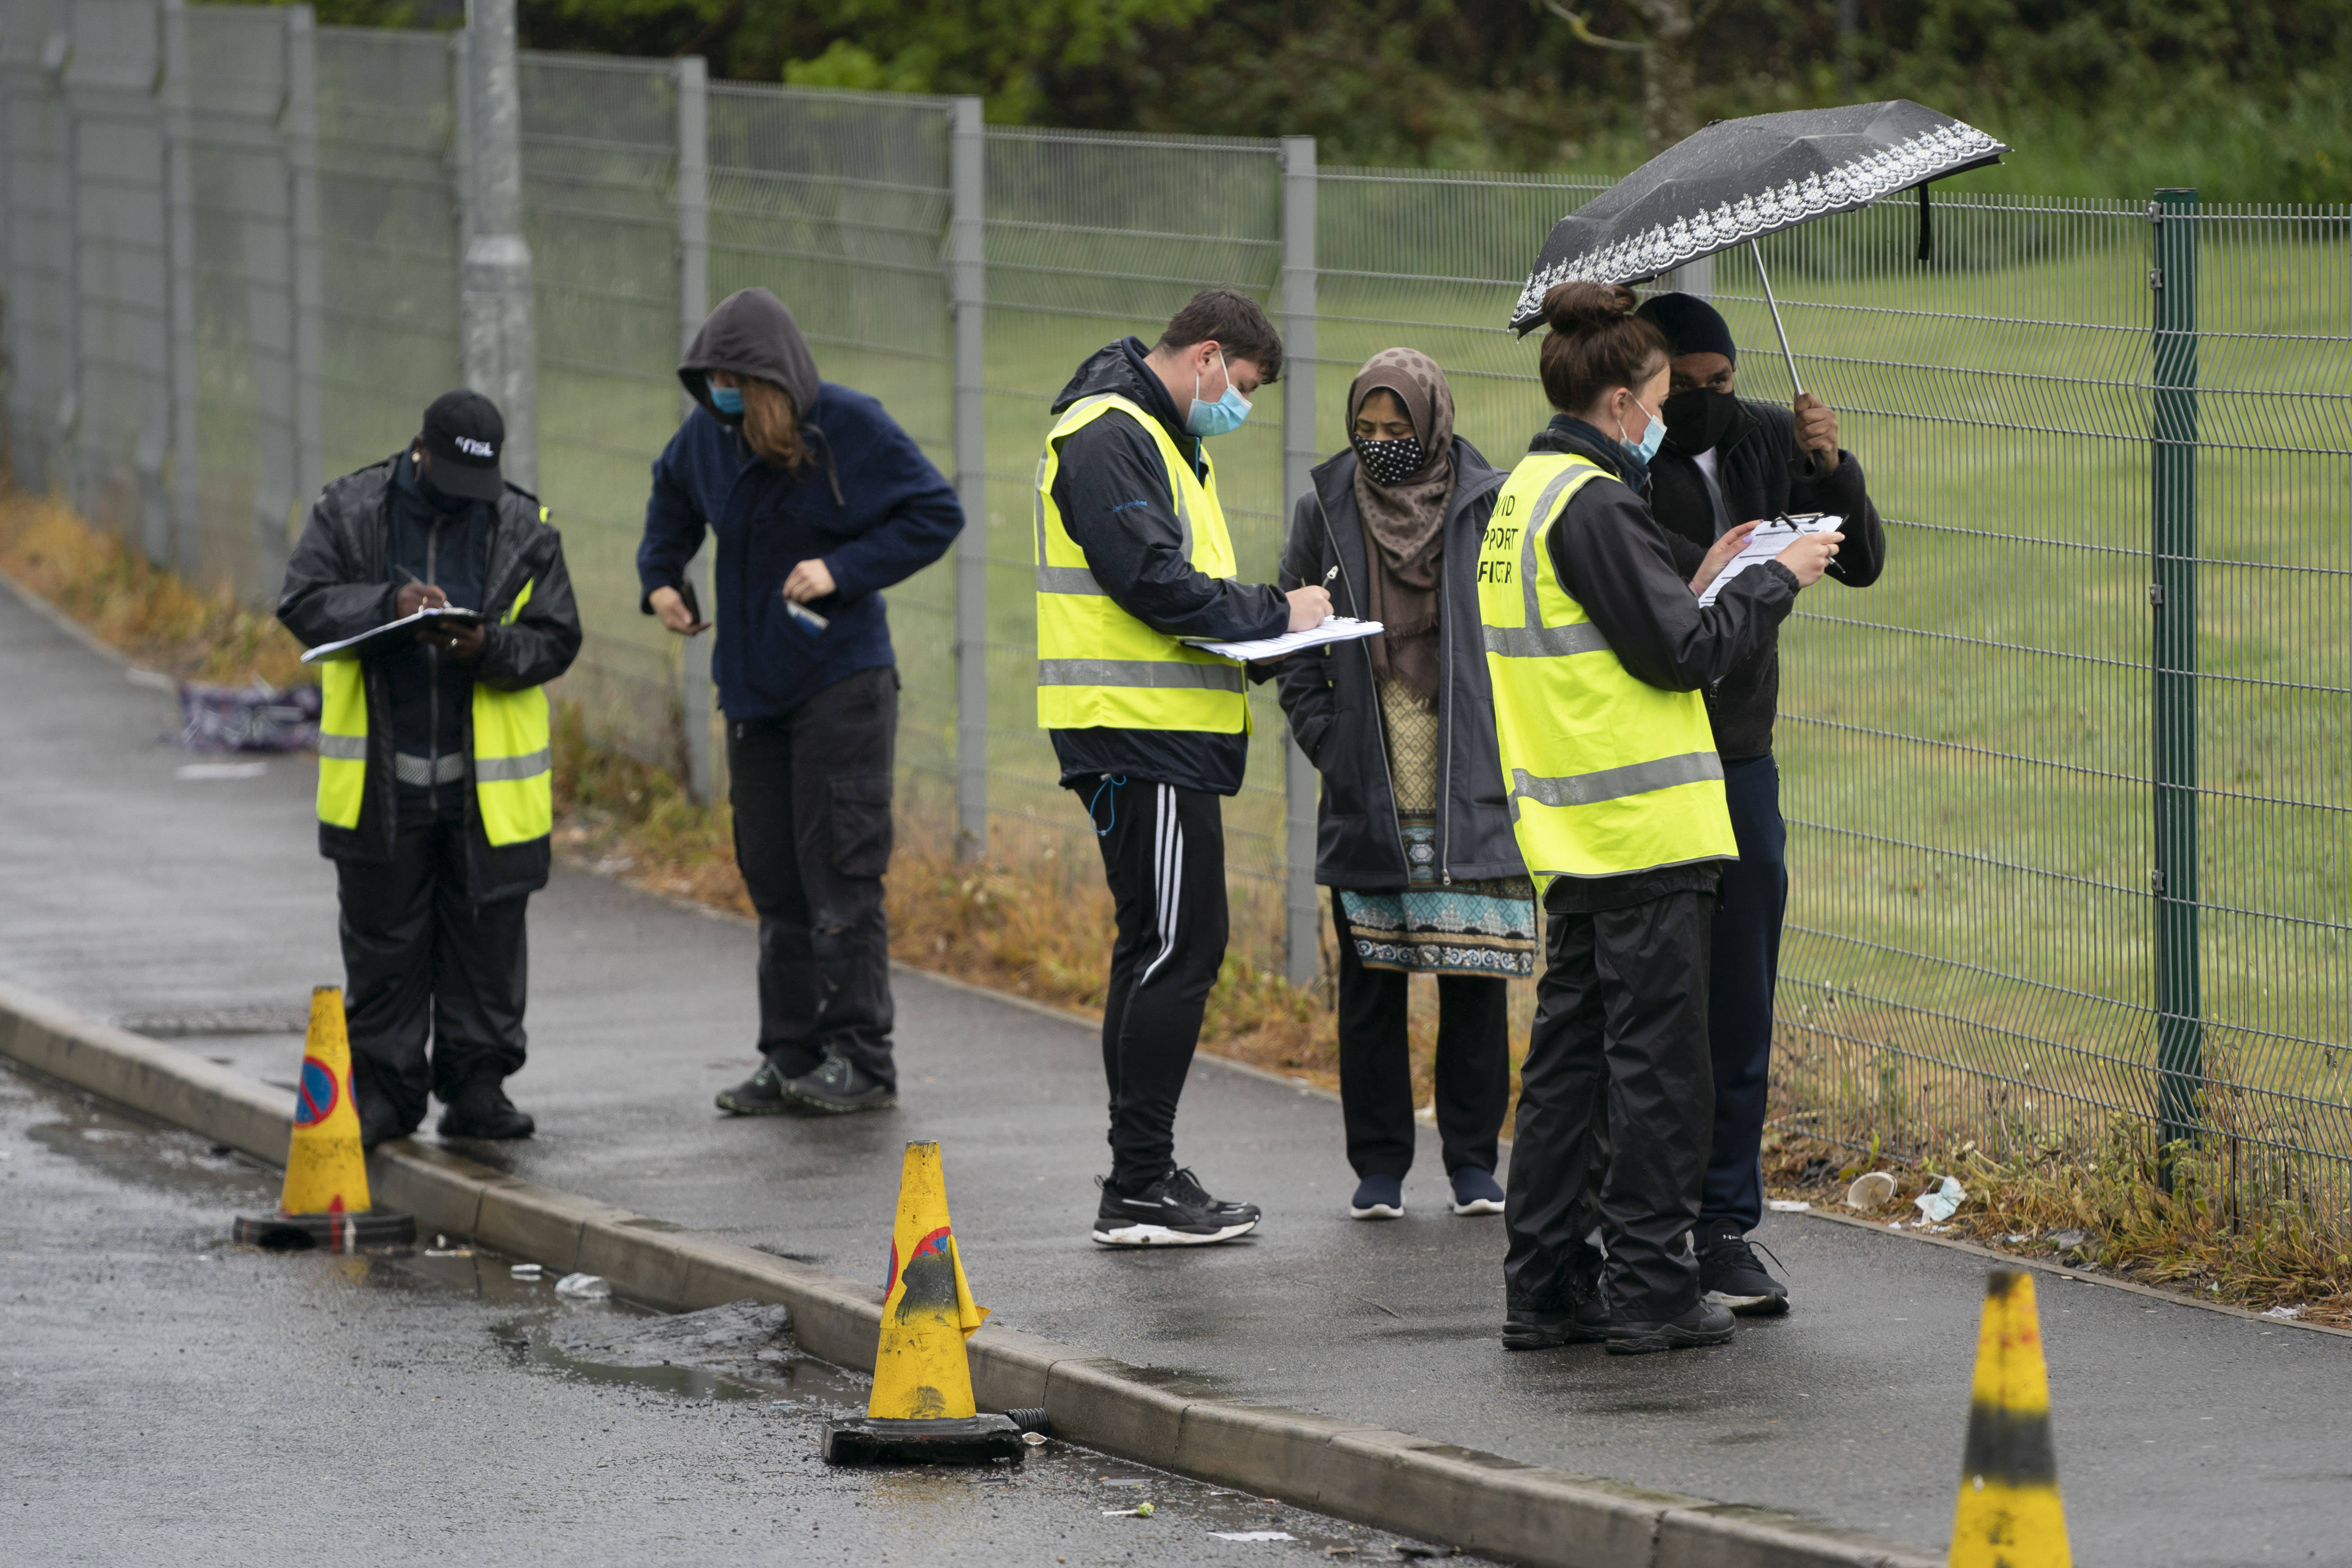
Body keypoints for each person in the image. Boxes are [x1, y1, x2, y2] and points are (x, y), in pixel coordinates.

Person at [1482, 283, 1843, 1356]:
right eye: (1650, 398)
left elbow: (1614, 633)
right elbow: (1684, 652)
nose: (1659, 419)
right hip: (1644, 829)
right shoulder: (1594, 504)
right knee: (1656, 1072)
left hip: (1574, 826)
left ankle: (1545, 1284)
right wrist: (1771, 578)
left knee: (1567, 1070)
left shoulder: (1527, 496)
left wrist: (1691, 577)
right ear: (1618, 402)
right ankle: (1647, 1284)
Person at [1035, 287, 1331, 1247]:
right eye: (1237, 385)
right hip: (1134, 733)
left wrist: (1268, 638)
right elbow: (1152, 582)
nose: (1236, 405)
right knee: (1177, 944)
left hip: (1157, 733)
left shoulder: (1161, 436)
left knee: (1161, 942)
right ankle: (1139, 1183)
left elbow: (1171, 595)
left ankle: (1143, 1173)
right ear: (1205, 355)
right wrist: (1274, 614)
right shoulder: (1111, 431)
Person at [638, 287, 963, 1117]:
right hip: (752, 690)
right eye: (711, 379)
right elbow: (669, 499)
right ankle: (788, 1057)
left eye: (735, 380)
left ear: (772, 381)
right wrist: (660, 581)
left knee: (841, 874)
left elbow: (935, 512)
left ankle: (862, 1058)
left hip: (840, 685)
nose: (722, 394)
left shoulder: (850, 427)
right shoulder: (706, 439)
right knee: (774, 879)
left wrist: (841, 570)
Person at [1634, 292, 1888, 1316]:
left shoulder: (1768, 439)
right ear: (1647, 385)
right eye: (1682, 388)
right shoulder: (1621, 466)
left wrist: (1832, 468)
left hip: (1741, 754)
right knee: (1657, 1006)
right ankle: (1642, 1221)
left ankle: (1723, 1225)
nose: (1701, 403)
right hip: (1650, 759)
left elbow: (1861, 560)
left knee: (1740, 997)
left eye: (1718, 385)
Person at [278, 390, 583, 1148]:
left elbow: (556, 635)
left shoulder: (520, 524)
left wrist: (488, 651)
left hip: (489, 792)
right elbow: (304, 601)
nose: (464, 501)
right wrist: (390, 605)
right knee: (384, 946)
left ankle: (478, 1090)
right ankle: (386, 1094)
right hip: (381, 784)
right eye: (450, 482)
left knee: (486, 943)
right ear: (421, 450)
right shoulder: (351, 511)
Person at [1274, 348, 1532, 1223]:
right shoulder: (1323, 511)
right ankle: (1378, 1166)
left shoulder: (1487, 506)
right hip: (1369, 783)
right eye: (1366, 429)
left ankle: (1471, 1162)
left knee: (1473, 977)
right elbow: (1292, 648)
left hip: (1469, 780)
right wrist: (1333, 743)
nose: (1380, 444)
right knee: (1370, 982)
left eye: (1397, 429)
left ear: (1433, 423)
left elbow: (1515, 634)